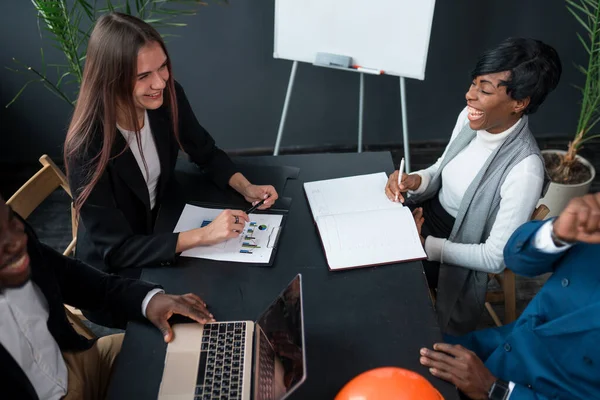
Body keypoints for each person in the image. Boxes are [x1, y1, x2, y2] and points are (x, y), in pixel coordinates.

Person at [64, 12, 279, 276]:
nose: (160, 82)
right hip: (117, 273)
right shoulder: (86, 147)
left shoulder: (166, 95)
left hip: (165, 221)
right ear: (111, 80)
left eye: (162, 66)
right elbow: (118, 250)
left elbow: (204, 151)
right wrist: (202, 235)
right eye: (143, 76)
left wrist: (246, 187)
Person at [384, 38, 562, 334]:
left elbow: (494, 257)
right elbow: (441, 169)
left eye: (485, 90)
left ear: (519, 103)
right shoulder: (471, 119)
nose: (469, 96)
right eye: (473, 84)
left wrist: (425, 246)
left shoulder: (524, 169)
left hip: (452, 248)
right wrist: (415, 181)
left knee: (383, 278)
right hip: (423, 216)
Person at [0, 195, 216, 400]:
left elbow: (67, 275)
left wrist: (146, 301)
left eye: (11, 219)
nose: (18, 240)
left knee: (204, 351)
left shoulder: (12, 235)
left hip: (76, 361)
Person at [418, 193, 600, 400]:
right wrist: (555, 234)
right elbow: (515, 258)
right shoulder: (593, 226)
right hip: (493, 348)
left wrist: (496, 389)